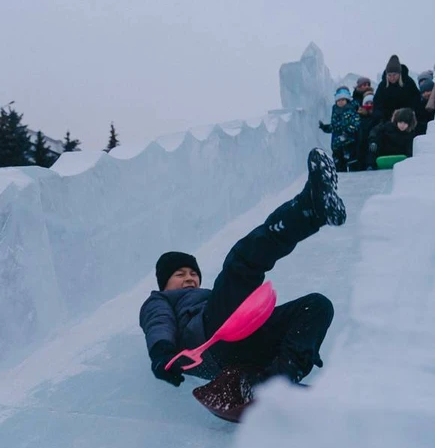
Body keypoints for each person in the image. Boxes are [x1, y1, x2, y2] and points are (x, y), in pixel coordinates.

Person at [139, 148, 344, 421]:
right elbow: (158, 322)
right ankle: (309, 210)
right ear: (164, 283)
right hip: (209, 345)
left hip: (245, 339)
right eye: (179, 274)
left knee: (316, 305)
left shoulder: (210, 297)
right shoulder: (160, 300)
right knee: (241, 264)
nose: (189, 277)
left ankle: (278, 379)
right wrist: (162, 352)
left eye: (193, 273)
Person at [319, 87, 361, 172]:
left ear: (347, 100)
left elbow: (356, 124)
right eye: (338, 100)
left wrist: (347, 131)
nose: (340, 102)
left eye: (343, 100)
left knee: (352, 163)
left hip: (349, 143)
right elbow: (334, 127)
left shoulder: (352, 110)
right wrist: (325, 127)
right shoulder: (335, 111)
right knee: (339, 166)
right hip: (337, 145)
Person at [372, 54, 422, 126]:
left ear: (399, 74)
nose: (392, 78)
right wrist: (381, 119)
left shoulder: (408, 83)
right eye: (389, 75)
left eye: (394, 75)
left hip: (407, 120)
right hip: (387, 121)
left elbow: (416, 101)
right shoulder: (382, 86)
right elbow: (377, 104)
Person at [355, 92, 377, 170]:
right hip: (362, 138)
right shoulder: (359, 116)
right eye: (367, 103)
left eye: (371, 103)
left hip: (372, 138)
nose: (369, 105)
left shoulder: (376, 116)